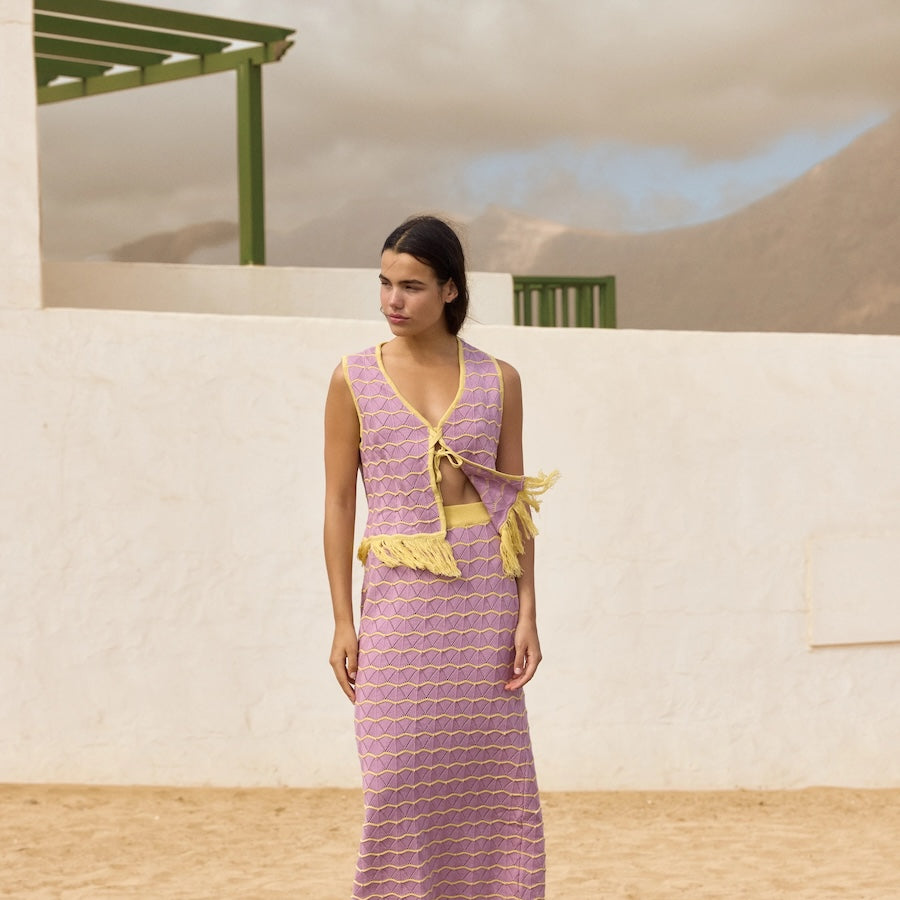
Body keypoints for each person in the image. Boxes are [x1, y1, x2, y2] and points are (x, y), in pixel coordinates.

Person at [324, 214, 556, 900]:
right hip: (399, 596)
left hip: (483, 596)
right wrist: (343, 621)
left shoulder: (500, 379)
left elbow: (513, 504)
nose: (394, 301)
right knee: (396, 777)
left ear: (451, 290)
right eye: (386, 284)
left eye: (413, 287)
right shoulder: (352, 378)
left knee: (492, 782)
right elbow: (340, 504)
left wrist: (527, 613)